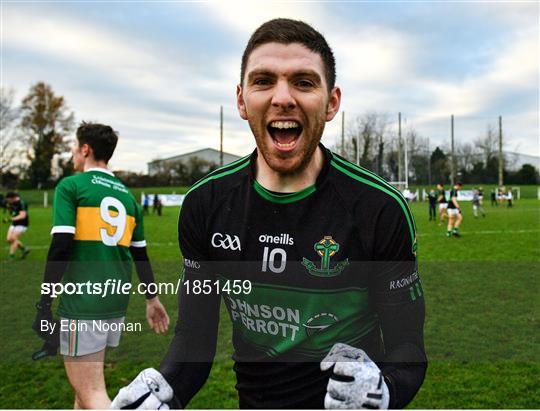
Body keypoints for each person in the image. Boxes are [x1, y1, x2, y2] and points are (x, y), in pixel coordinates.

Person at [111, 18, 426, 410]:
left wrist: (385, 390)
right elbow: (193, 339)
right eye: (264, 81)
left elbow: (407, 345)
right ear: (242, 100)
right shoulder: (205, 205)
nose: (283, 97)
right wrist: (163, 390)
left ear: (331, 103)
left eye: (304, 82)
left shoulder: (379, 208)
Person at [32, 122, 169, 408]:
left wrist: (44, 301)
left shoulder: (72, 186)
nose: (72, 152)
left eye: (74, 146)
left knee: (93, 394)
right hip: (114, 300)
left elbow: (61, 245)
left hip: (84, 301)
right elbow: (140, 255)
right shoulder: (127, 196)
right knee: (84, 391)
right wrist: (152, 298)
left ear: (85, 149)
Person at [4, 191, 31, 260]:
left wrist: (10, 219)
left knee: (13, 238)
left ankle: (11, 256)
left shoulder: (21, 203)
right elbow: (13, 212)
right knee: (9, 239)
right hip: (14, 224)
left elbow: (23, 216)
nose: (8, 201)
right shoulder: (12, 203)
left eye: (8, 199)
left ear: (12, 198)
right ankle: (24, 249)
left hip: (22, 224)